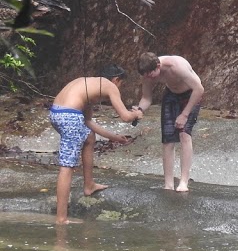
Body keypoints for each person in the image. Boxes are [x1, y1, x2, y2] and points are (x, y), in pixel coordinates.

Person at [49, 64, 143, 224]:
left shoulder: (88, 85)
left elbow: (87, 122)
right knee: (67, 166)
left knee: (88, 137)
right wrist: (137, 114)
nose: (119, 87)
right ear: (116, 79)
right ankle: (61, 218)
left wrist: (115, 137)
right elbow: (126, 117)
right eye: (121, 83)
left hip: (56, 113)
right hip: (69, 117)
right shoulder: (109, 85)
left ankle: (89, 185)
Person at [135, 52, 204, 191]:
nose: (149, 78)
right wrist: (139, 110)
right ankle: (168, 184)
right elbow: (147, 98)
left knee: (184, 134)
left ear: (158, 66)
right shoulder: (148, 74)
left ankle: (184, 181)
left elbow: (199, 89)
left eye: (151, 74)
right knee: (167, 138)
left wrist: (184, 115)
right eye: (146, 75)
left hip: (191, 95)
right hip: (172, 94)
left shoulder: (176, 67)